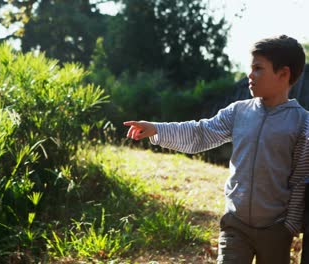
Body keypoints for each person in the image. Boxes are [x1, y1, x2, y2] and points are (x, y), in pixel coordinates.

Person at [123, 35, 308, 264]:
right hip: (235, 224)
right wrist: (156, 129)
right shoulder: (238, 112)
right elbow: (201, 133)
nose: (249, 75)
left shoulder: (302, 123)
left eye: (258, 68)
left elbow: (301, 179)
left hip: (275, 230)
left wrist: (288, 226)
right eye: (250, 68)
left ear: (283, 74)